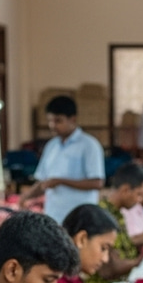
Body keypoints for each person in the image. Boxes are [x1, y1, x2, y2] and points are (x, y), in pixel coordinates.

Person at [19, 94, 106, 223]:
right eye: (50, 121)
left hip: (81, 217)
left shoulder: (89, 145)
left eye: (58, 121)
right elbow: (43, 182)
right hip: (55, 216)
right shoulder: (51, 146)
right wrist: (26, 197)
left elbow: (97, 183)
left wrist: (61, 181)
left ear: (73, 119)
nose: (53, 125)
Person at [83, 161, 143, 283]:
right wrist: (141, 261)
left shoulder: (117, 213)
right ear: (125, 189)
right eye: (139, 194)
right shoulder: (103, 216)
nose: (140, 200)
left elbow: (125, 247)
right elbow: (110, 269)